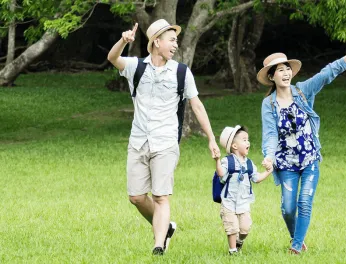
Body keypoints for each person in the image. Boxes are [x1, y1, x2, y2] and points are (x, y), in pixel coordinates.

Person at [107, 19, 220, 255]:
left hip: (166, 142)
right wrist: (123, 41)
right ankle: (165, 227)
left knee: (161, 196)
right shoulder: (136, 67)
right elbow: (112, 58)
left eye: (176, 41)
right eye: (171, 40)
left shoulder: (181, 72)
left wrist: (211, 137)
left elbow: (197, 105)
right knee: (137, 197)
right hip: (138, 141)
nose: (175, 45)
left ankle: (158, 246)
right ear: (156, 42)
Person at [259, 51, 346, 254]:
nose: (285, 73)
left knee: (304, 202)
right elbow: (270, 134)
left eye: (287, 69)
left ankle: (295, 248)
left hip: (309, 159)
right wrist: (269, 155)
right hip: (285, 164)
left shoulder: (302, 91)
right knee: (288, 209)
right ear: (271, 77)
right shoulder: (269, 104)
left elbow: (325, 75)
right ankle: (297, 239)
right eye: (280, 70)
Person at [214, 125, 273, 255]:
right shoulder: (227, 162)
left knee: (245, 228)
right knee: (232, 228)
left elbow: (256, 178)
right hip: (228, 201)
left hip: (243, 202)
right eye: (244, 140)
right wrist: (217, 160)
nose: (248, 142)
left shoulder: (249, 164)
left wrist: (269, 171)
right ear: (234, 146)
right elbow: (220, 173)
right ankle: (232, 250)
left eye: (248, 139)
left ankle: (240, 241)